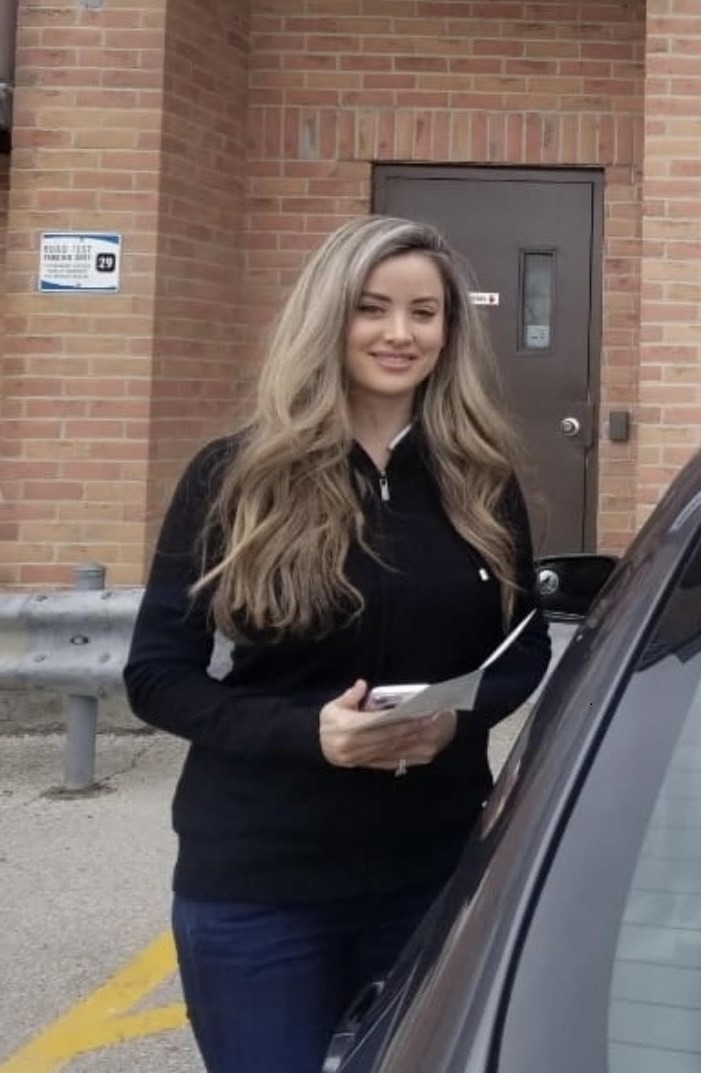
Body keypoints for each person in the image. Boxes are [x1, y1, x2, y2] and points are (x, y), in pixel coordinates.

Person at [123, 216, 552, 1073]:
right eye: (373, 309)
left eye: (424, 313)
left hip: (433, 873)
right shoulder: (235, 476)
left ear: (449, 331)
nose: (401, 334)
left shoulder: (481, 477)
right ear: (330, 319)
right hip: (261, 882)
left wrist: (453, 721)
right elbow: (156, 675)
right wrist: (307, 734)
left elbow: (525, 650)